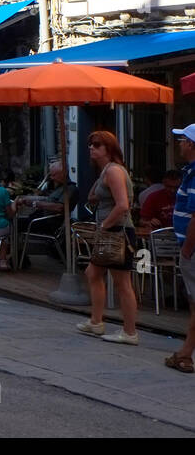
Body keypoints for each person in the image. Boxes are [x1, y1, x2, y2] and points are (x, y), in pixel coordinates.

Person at [77, 131, 139, 344]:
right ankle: (96, 321)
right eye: (90, 144)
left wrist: (104, 225)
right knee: (93, 273)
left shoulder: (113, 171)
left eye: (96, 145)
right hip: (110, 230)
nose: (91, 148)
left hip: (116, 231)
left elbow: (123, 205)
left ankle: (129, 332)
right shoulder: (107, 171)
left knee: (122, 282)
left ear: (108, 149)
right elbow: (92, 197)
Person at [164, 124, 195, 373]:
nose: (180, 144)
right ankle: (184, 353)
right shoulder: (189, 172)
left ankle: (185, 355)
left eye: (183, 140)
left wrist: (187, 249)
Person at [138, 170, 180, 234]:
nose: (172, 190)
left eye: (176, 187)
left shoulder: (187, 197)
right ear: (163, 183)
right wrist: (149, 222)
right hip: (161, 236)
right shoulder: (154, 197)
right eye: (169, 187)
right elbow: (141, 221)